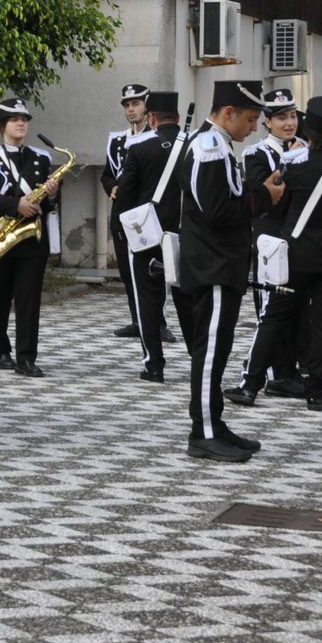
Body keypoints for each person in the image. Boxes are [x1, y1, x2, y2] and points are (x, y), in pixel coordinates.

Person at [228, 97, 322, 411]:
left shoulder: (293, 163)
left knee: (275, 316)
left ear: (308, 130)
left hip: (297, 255)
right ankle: (315, 390)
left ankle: (250, 385)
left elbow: (279, 206)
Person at [177, 79, 283, 462]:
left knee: (217, 352)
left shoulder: (219, 144)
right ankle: (203, 433)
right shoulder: (208, 148)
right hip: (213, 266)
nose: (254, 128)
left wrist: (258, 196)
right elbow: (217, 212)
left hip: (220, 264)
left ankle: (214, 423)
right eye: (251, 119)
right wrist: (264, 200)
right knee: (209, 354)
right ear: (227, 113)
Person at [0, 98, 61, 378]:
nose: (21, 123)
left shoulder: (41, 158)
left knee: (29, 300)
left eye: (24, 118)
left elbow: (46, 205)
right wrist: (15, 205)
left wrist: (53, 194)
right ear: (3, 125)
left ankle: (26, 358)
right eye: (14, 119)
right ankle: (0, 350)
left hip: (31, 241)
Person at [113, 90, 192, 384]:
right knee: (188, 300)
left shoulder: (139, 147)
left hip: (148, 236)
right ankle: (199, 357)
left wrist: (124, 230)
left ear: (152, 118)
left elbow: (126, 195)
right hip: (186, 235)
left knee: (148, 300)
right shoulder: (193, 145)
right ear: (179, 117)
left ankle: (154, 365)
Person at [237, 86, 309, 397]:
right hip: (269, 237)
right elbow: (265, 194)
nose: (289, 123)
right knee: (271, 308)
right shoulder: (255, 154)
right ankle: (270, 373)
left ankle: (287, 370)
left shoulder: (307, 150)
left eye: (292, 116)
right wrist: (292, 162)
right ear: (267, 122)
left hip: (299, 236)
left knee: (295, 307)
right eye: (281, 118)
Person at [104, 84, 148, 339]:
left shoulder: (155, 136)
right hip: (122, 211)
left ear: (146, 106)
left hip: (146, 211)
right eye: (127, 105)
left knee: (151, 269)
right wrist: (112, 188)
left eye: (136, 104)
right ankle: (137, 320)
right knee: (127, 270)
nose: (131, 109)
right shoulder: (117, 140)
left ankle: (158, 323)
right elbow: (107, 175)